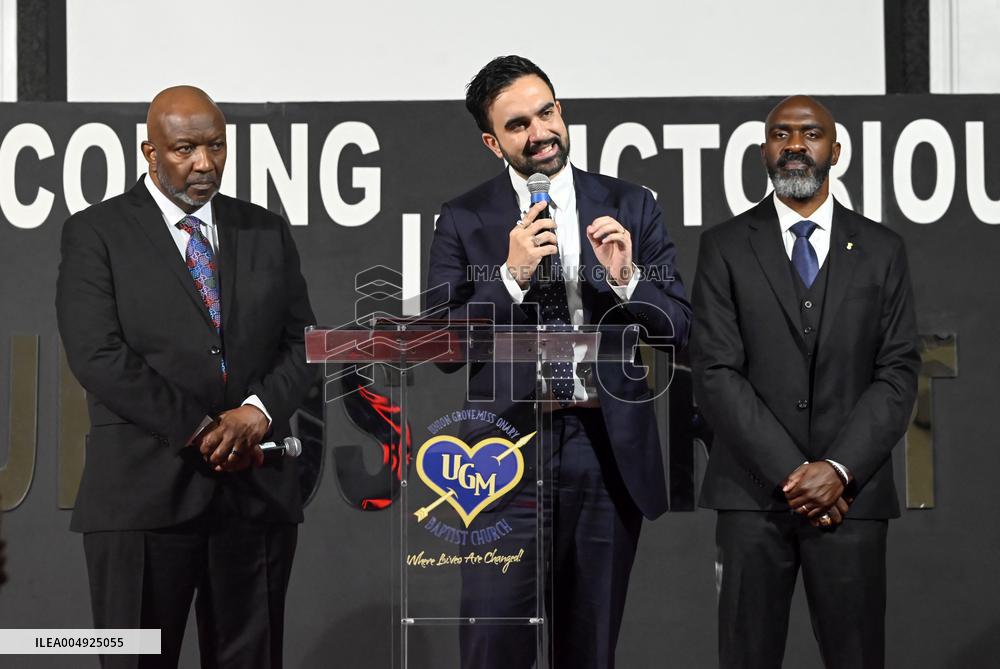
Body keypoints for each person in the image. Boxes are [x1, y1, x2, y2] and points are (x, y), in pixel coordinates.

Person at [425, 55, 690, 668]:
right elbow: (442, 348)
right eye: (518, 124)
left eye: (547, 112)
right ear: (494, 142)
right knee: (494, 643)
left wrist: (627, 281)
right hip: (504, 456)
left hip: (605, 448)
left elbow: (678, 329)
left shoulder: (631, 204)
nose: (540, 132)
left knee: (590, 650)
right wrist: (510, 279)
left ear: (561, 111)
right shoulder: (464, 218)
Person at [56, 86, 316, 668]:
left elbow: (305, 343)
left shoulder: (265, 230)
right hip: (143, 499)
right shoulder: (96, 232)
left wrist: (256, 414)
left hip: (255, 495)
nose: (205, 163)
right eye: (186, 149)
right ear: (148, 151)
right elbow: (97, 354)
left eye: (217, 146)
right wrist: (201, 429)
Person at [691, 95, 920, 669]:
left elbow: (897, 372)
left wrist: (837, 470)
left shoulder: (882, 250)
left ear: (835, 150)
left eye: (810, 134)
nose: (795, 145)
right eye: (781, 134)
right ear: (764, 150)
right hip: (751, 497)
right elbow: (716, 372)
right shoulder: (723, 246)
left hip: (852, 499)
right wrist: (794, 475)